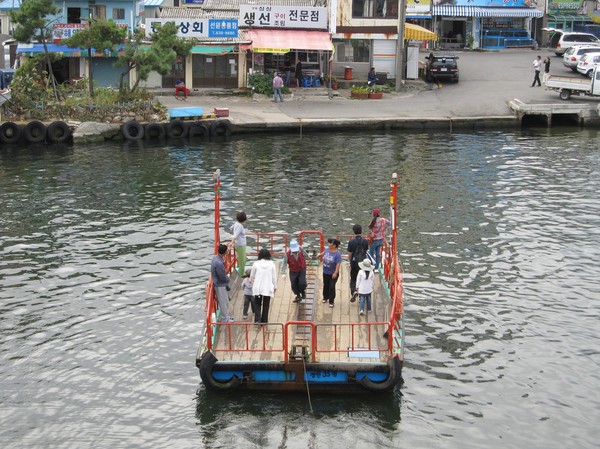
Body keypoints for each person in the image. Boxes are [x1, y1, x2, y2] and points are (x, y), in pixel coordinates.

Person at [250, 248, 277, 323]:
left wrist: (252, 282)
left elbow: (252, 276)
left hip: (258, 287)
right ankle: (264, 321)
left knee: (257, 304)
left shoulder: (256, 264)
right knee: (266, 304)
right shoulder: (272, 264)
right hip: (267, 287)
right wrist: (275, 286)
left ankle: (257, 320)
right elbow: (274, 277)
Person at [211, 243, 233, 322]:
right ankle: (225, 318)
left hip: (219, 282)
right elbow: (222, 275)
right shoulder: (219, 263)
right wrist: (227, 280)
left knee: (225, 300)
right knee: (223, 301)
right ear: (224, 253)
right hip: (220, 284)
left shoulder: (215, 259)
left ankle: (226, 316)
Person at [347, 224, 369, 302]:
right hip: (363, 263)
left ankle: (354, 291)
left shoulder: (351, 242)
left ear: (354, 231)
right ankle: (362, 296)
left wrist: (350, 262)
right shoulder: (365, 241)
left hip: (354, 262)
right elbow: (365, 251)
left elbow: (350, 254)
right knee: (362, 278)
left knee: (353, 278)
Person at [283, 239, 308, 303]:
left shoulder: (301, 249)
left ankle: (303, 291)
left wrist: (308, 257)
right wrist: (283, 273)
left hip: (302, 268)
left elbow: (306, 255)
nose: (295, 252)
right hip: (293, 270)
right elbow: (284, 263)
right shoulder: (287, 254)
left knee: (302, 283)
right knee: (294, 284)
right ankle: (298, 296)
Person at [321, 238, 342, 308]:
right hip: (325, 272)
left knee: (332, 286)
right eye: (329, 243)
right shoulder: (327, 250)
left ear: (335, 245)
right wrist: (319, 255)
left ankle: (331, 301)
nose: (329, 245)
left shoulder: (337, 254)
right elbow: (323, 253)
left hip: (333, 273)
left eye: (331, 244)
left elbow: (338, 264)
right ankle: (325, 297)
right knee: (326, 285)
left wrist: (335, 272)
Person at [230, 211, 247, 277]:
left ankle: (239, 272)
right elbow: (235, 236)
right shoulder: (239, 226)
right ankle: (241, 276)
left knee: (242, 259)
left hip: (239, 244)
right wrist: (232, 242)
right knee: (242, 262)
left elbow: (231, 228)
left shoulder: (236, 223)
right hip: (240, 245)